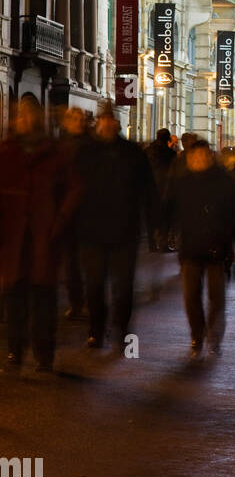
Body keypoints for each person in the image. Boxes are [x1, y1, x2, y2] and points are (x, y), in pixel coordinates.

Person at [0, 96, 82, 373]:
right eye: (20, 115)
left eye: (28, 115)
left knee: (44, 297)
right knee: (14, 297)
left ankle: (44, 352)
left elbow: (74, 188)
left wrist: (59, 221)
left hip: (43, 236)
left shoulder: (55, 153)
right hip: (13, 237)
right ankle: (15, 350)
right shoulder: (7, 151)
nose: (24, 119)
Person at [75, 110, 158, 353]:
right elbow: (73, 189)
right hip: (92, 230)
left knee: (123, 286)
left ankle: (121, 329)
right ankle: (96, 331)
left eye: (111, 120)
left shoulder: (132, 152)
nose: (107, 125)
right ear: (98, 123)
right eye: (103, 120)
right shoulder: (86, 151)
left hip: (125, 230)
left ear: (117, 123)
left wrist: (155, 223)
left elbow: (148, 190)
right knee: (94, 285)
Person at [168, 138, 235, 360]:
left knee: (216, 297)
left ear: (210, 156)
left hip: (218, 248)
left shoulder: (225, 182)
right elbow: (170, 208)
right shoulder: (181, 183)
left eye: (204, 155)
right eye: (195, 156)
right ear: (189, 158)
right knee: (191, 296)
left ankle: (214, 338)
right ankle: (197, 335)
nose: (200, 159)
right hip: (190, 247)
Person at [58, 106, 89, 319]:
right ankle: (77, 302)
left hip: (89, 211)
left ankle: (88, 301)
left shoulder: (93, 146)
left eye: (80, 118)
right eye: (73, 118)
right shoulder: (61, 146)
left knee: (89, 261)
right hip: (69, 212)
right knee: (71, 263)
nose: (77, 122)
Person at [145, 128, 175, 252]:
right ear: (168, 138)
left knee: (151, 217)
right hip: (165, 188)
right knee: (164, 217)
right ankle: (163, 244)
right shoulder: (170, 154)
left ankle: (151, 244)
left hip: (150, 187)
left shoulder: (147, 151)